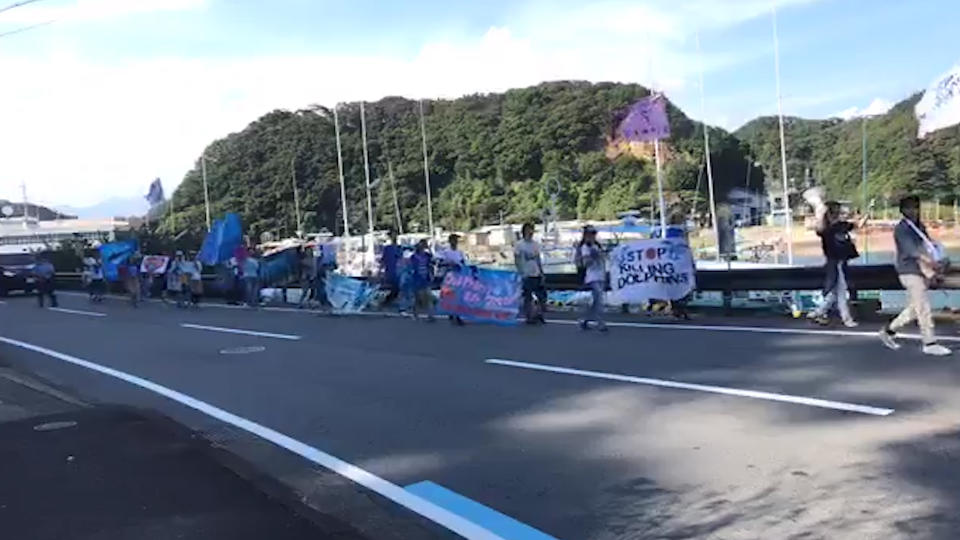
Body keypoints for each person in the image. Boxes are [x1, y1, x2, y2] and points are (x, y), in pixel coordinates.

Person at [879, 196, 951, 356]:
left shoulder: (918, 226)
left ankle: (888, 330)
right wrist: (931, 262)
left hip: (921, 270)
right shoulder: (902, 229)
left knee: (914, 309)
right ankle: (929, 342)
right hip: (909, 270)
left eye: (916, 207)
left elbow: (927, 246)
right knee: (923, 307)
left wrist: (937, 260)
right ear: (903, 210)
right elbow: (913, 251)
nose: (914, 211)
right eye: (910, 208)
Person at [807, 201, 865, 327]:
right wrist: (820, 213)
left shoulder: (840, 225)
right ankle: (846, 318)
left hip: (840, 261)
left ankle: (819, 312)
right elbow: (820, 229)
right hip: (835, 261)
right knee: (841, 290)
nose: (838, 214)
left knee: (836, 292)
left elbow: (857, 225)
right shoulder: (826, 228)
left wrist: (862, 217)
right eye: (835, 212)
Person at [575, 225, 608, 332]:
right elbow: (585, 263)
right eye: (591, 234)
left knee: (596, 301)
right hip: (592, 276)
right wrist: (593, 257)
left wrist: (602, 255)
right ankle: (600, 323)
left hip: (600, 275)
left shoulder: (597, 246)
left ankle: (585, 320)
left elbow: (603, 259)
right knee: (599, 299)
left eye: (594, 234)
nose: (593, 236)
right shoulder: (585, 247)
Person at [514, 223, 546, 324]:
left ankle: (538, 313)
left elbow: (538, 259)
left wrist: (541, 272)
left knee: (541, 295)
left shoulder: (535, 244)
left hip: (535, 272)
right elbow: (517, 259)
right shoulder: (519, 245)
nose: (530, 232)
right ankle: (529, 315)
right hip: (526, 273)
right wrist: (520, 271)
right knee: (528, 296)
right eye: (528, 230)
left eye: (532, 230)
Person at [439, 234, 467, 326]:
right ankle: (453, 314)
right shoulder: (446, 252)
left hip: (458, 277)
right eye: (454, 240)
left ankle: (457, 316)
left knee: (458, 297)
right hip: (449, 278)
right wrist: (449, 264)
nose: (456, 242)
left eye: (456, 240)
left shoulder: (460, 252)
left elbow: (463, 263)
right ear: (450, 241)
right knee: (451, 297)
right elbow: (440, 263)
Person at [410, 239, 435, 322]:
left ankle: (430, 315)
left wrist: (430, 249)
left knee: (428, 296)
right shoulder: (414, 257)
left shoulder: (427, 255)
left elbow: (433, 261)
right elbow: (411, 268)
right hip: (417, 279)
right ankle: (415, 314)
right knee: (417, 298)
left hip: (426, 278)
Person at [380, 230, 404, 309]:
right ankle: (387, 301)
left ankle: (388, 301)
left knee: (396, 287)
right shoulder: (388, 248)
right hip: (391, 270)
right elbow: (383, 260)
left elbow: (401, 259)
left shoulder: (398, 248)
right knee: (395, 286)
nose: (395, 238)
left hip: (396, 270)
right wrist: (381, 271)